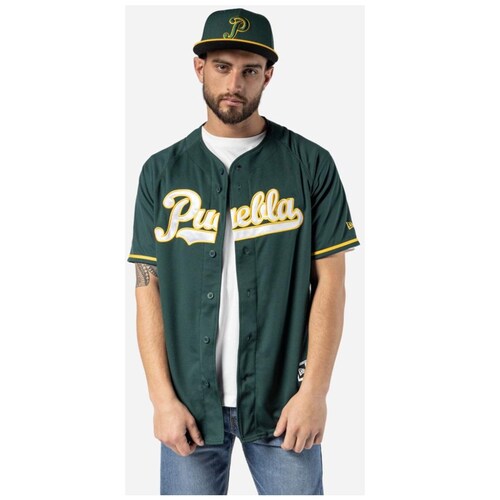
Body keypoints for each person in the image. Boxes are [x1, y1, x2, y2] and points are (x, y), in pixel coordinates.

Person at [128, 7, 360, 495]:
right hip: (189, 408)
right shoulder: (161, 171)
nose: (235, 83)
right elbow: (148, 289)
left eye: (250, 70)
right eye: (222, 66)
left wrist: (315, 393)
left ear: (268, 76)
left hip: (283, 403)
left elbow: (332, 284)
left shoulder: (310, 163)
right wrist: (161, 400)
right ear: (200, 68)